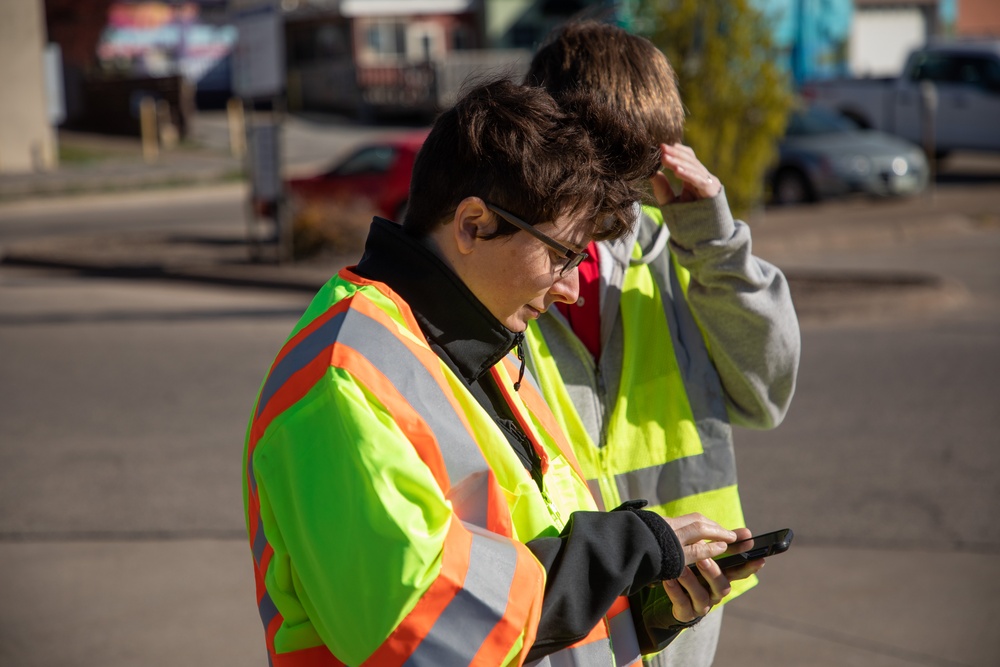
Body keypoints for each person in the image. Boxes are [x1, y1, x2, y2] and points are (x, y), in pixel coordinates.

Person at [241, 78, 752, 667]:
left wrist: (645, 604)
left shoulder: (488, 349)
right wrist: (616, 553)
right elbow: (421, 630)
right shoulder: (342, 378)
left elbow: (534, 599)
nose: (569, 287)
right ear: (473, 224)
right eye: (562, 254)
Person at [523, 21, 802, 667]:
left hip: (685, 614)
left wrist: (717, 242)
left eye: (638, 166)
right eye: (602, 165)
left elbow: (768, 394)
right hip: (556, 615)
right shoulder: (509, 268)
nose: (618, 194)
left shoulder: (685, 252)